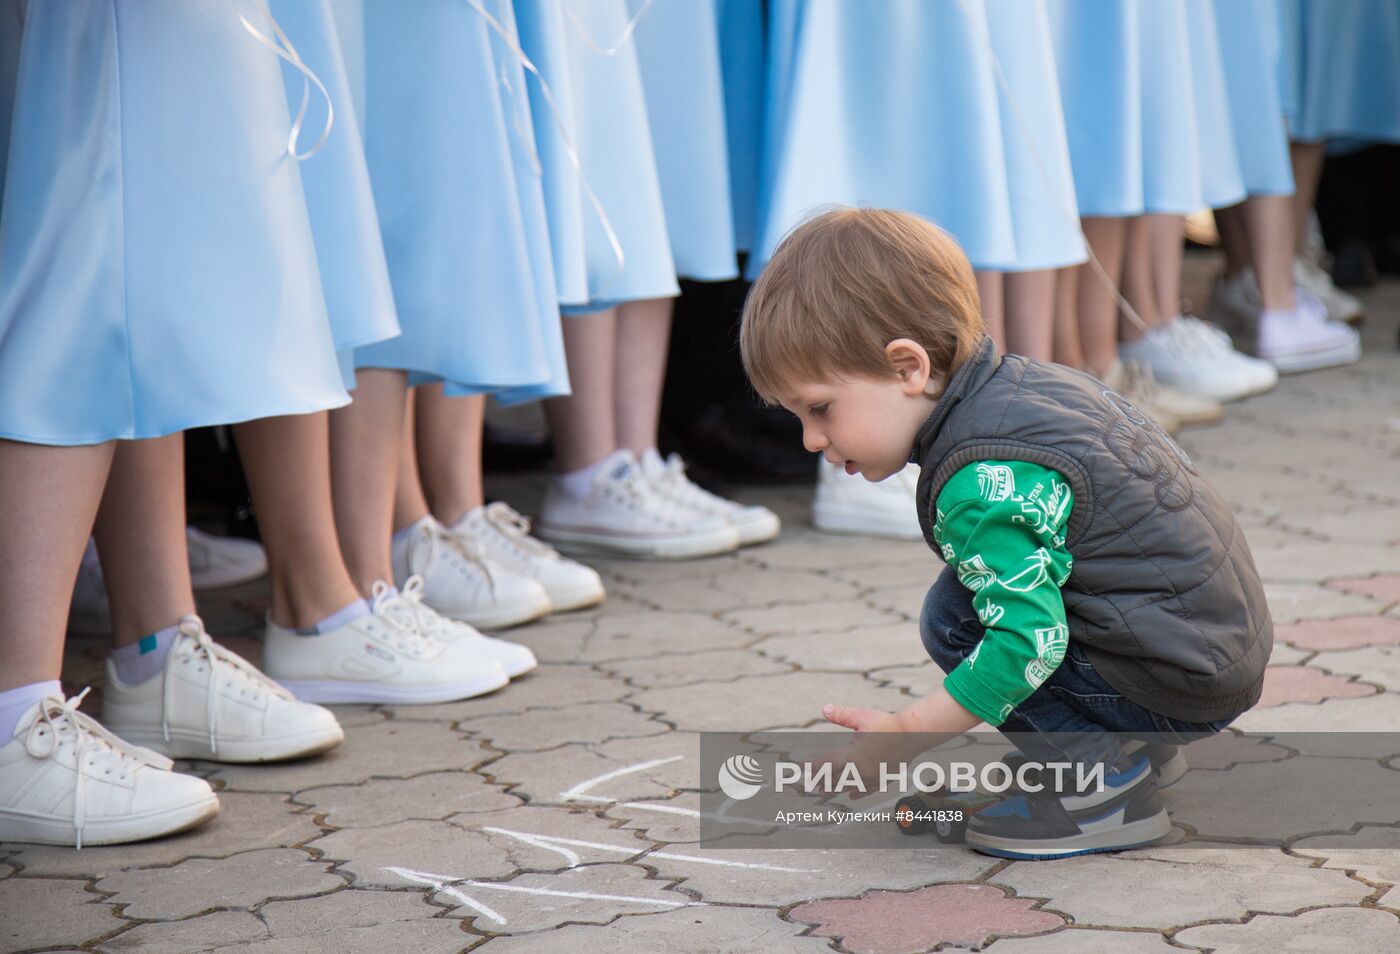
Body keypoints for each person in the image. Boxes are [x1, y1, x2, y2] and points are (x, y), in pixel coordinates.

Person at [739, 208, 1272, 859]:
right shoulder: (1020, 388)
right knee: (976, 594)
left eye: (820, 409)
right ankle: (1132, 749)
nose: (811, 440)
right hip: (1205, 646)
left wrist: (906, 732)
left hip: (1181, 671)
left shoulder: (978, 477)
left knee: (957, 619)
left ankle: (1097, 791)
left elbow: (1028, 640)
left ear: (907, 367)